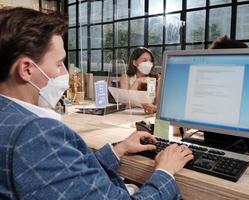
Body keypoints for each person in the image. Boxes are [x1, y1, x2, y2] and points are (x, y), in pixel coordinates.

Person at [0, 7, 193, 199]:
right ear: (26, 69)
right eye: (59, 64)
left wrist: (118, 150)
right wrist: (165, 172)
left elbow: (68, 179)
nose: (65, 74)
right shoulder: (36, 134)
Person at [120, 47, 159, 114]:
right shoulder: (126, 77)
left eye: (150, 61)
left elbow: (158, 104)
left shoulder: (156, 79)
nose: (148, 64)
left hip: (149, 115)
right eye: (144, 60)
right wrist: (137, 82)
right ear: (135, 63)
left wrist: (153, 108)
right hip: (129, 115)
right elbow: (126, 103)